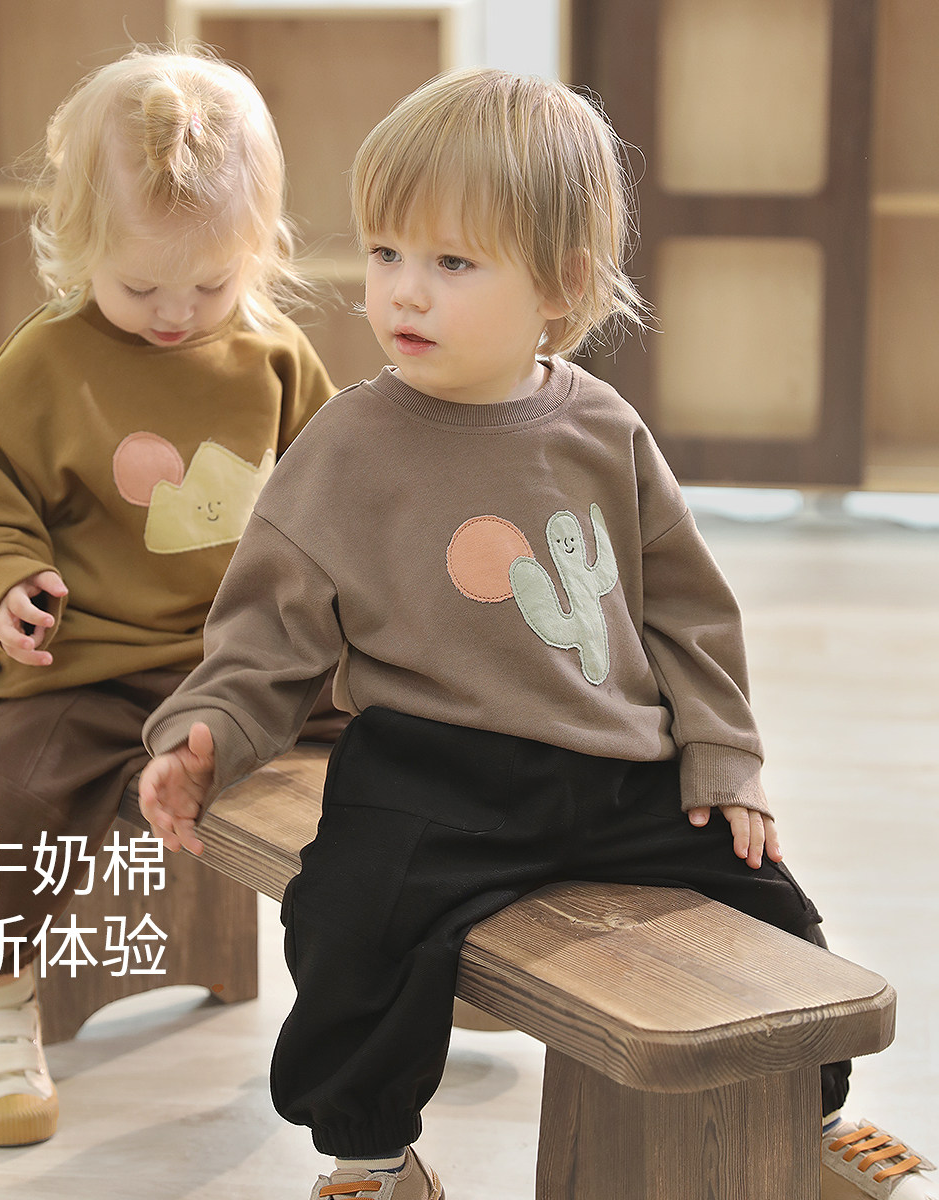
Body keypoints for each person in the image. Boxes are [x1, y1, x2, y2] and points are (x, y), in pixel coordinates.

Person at [136, 67, 937, 1200]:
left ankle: (808, 1123)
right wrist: (212, 730)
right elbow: (267, 629)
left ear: (559, 283)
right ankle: (371, 1155)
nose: (405, 291)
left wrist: (724, 756)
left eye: (453, 263)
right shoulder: (349, 447)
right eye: (386, 253)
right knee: (348, 918)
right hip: (433, 774)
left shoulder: (603, 428)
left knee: (775, 913)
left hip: (618, 770)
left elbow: (686, 612)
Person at [0, 44, 345, 1149]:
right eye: (139, 286)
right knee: (5, 804)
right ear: (79, 247)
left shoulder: (276, 357)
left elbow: (337, 493)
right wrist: (7, 580)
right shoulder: (44, 367)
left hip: (252, 664)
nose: (175, 313)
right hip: (95, 667)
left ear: (257, 247)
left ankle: (439, 948)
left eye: (208, 285)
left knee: (416, 747)